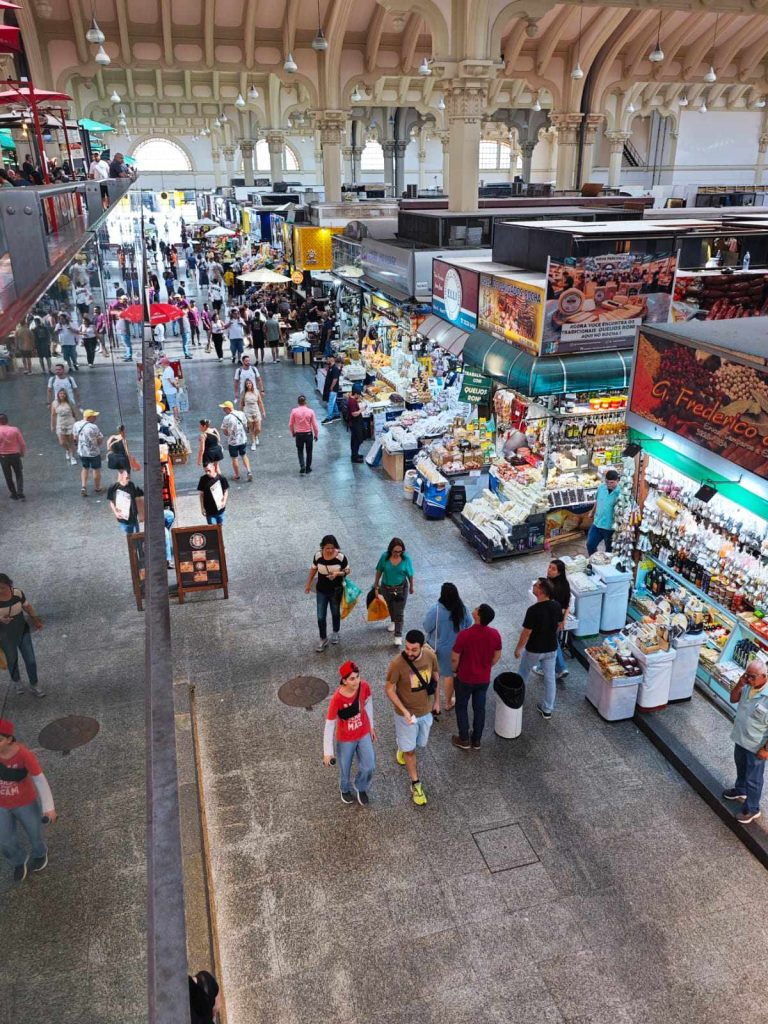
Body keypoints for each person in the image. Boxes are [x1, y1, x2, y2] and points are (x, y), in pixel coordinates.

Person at [385, 629, 439, 807]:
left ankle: (402, 745)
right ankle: (416, 784)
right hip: (406, 716)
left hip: (425, 711)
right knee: (410, 751)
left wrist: (437, 701)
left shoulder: (430, 656)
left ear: (422, 647)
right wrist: (404, 711)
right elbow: (389, 689)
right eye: (407, 648)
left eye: (414, 650)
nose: (409, 652)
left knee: (420, 744)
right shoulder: (397, 664)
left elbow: (436, 677)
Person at [0, 718, 56, 882]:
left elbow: (39, 778)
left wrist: (49, 807)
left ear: (9, 740)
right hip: (2, 805)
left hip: (25, 803)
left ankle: (40, 853)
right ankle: (18, 860)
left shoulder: (24, 754)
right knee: (4, 840)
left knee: (34, 833)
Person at [451, 604, 503, 750]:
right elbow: (497, 655)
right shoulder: (495, 634)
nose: (474, 609)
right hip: (483, 679)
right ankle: (477, 740)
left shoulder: (465, 634)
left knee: (461, 706)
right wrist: (487, 666)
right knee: (479, 708)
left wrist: (455, 670)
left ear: (478, 615)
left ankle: (464, 739)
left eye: (476, 608)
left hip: (465, 678)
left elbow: (455, 657)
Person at [323, 661, 375, 805]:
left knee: (369, 764)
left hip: (363, 731)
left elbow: (368, 702)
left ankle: (361, 786)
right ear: (344, 680)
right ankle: (344, 789)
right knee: (345, 767)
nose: (356, 681)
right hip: (346, 738)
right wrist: (328, 752)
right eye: (352, 679)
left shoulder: (364, 686)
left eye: (357, 676)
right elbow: (330, 724)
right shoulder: (337, 699)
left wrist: (371, 726)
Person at [724, 658, 768, 825]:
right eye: (746, 675)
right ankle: (740, 790)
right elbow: (733, 699)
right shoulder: (747, 686)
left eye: (752, 676)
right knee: (740, 766)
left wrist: (766, 749)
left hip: (756, 745)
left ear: (764, 676)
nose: (748, 679)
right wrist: (740, 683)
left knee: (754, 778)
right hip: (741, 738)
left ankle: (752, 808)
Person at [514, 578, 563, 720]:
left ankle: (515, 702)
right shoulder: (556, 606)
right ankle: (547, 709)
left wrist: (518, 649)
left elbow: (526, 633)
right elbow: (559, 624)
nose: (533, 586)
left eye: (535, 585)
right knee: (549, 679)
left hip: (534, 649)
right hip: (551, 648)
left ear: (541, 590)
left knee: (522, 674)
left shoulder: (533, 610)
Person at [423, 583, 472, 717]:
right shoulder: (462, 609)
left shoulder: (436, 610)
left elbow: (426, 627)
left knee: (437, 675)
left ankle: (434, 702)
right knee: (450, 676)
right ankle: (448, 702)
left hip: (439, 649)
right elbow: (469, 624)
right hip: (457, 649)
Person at [0, 575, 44, 699]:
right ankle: (17, 681)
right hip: (4, 635)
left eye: (2, 587)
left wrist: (36, 620)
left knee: (30, 659)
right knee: (12, 659)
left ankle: (34, 684)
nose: (0, 591)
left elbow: (27, 606)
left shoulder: (17, 593)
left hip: (22, 630)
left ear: (9, 584)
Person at [306, 534, 349, 652]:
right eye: (327, 548)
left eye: (332, 548)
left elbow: (347, 570)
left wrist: (337, 574)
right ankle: (323, 638)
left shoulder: (340, 557)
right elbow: (313, 569)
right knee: (320, 616)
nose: (329, 550)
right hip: (321, 590)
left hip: (335, 590)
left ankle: (335, 632)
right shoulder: (318, 555)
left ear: (335, 547)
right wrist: (308, 584)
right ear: (322, 547)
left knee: (335, 612)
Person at [532, 560, 571, 681]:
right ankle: (556, 668)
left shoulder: (553, 588)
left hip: (550, 619)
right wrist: (563, 621)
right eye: (549, 567)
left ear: (559, 572)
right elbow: (567, 605)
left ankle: (558, 668)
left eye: (553, 569)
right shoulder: (565, 584)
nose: (549, 570)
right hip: (557, 619)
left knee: (550, 643)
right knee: (552, 642)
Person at [374, 538, 414, 647]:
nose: (397, 554)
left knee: (399, 612)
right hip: (386, 588)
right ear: (390, 550)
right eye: (395, 551)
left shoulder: (406, 559)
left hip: (401, 588)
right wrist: (376, 584)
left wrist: (411, 586)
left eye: (400, 551)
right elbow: (379, 570)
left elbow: (410, 574)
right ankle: (393, 621)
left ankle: (398, 635)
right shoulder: (384, 557)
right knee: (390, 606)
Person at [587, 469, 621, 555]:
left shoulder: (620, 493)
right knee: (590, 544)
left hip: (610, 527)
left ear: (618, 481)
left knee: (609, 551)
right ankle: (594, 561)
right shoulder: (601, 487)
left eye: (612, 483)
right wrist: (592, 511)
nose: (609, 485)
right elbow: (597, 501)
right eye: (607, 482)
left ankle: (606, 566)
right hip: (597, 523)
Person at [73, 408, 104, 497]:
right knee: (96, 469)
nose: (95, 418)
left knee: (85, 468)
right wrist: (98, 445)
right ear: (89, 417)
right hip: (93, 453)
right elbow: (100, 438)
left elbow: (75, 437)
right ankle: (97, 487)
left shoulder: (76, 424)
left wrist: (78, 446)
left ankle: (83, 486)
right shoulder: (93, 427)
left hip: (82, 452)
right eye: (94, 416)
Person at [219, 400, 252, 482]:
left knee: (234, 458)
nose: (223, 410)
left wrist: (227, 431)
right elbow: (245, 424)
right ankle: (249, 471)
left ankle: (237, 475)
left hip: (233, 442)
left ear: (228, 408)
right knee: (244, 455)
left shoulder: (227, 418)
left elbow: (226, 433)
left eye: (224, 408)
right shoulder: (241, 413)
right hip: (242, 439)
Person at [288, 395, 319, 475]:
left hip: (299, 434)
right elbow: (315, 425)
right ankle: (308, 468)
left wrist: (293, 432)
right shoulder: (310, 411)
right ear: (305, 402)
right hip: (308, 434)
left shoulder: (294, 411)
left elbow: (290, 424)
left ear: (298, 402)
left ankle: (302, 466)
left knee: (300, 450)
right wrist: (316, 435)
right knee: (309, 451)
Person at [107, 468, 144, 536]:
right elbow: (111, 501)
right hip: (123, 519)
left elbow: (135, 499)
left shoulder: (131, 485)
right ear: (120, 476)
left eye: (128, 477)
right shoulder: (113, 487)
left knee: (137, 536)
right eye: (126, 477)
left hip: (133, 517)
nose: (128, 479)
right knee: (129, 536)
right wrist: (116, 513)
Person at [0, 413, 26, 501]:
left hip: (3, 456)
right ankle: (20, 491)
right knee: (18, 473)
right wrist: (22, 453)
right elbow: (22, 443)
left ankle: (13, 493)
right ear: (7, 420)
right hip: (15, 455)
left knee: (8, 476)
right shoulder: (15, 430)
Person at [50, 388, 78, 465]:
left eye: (64, 393)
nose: (62, 395)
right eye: (60, 393)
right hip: (60, 424)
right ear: (58, 395)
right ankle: (68, 450)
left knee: (71, 441)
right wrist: (52, 425)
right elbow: (53, 415)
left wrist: (77, 423)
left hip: (70, 423)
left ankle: (72, 456)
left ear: (66, 395)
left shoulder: (70, 402)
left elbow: (74, 413)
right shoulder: (55, 403)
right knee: (62, 442)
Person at [197, 461, 229, 525]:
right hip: (209, 511)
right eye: (206, 471)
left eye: (209, 470)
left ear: (213, 468)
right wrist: (202, 508)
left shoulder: (222, 478)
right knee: (213, 529)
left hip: (220, 510)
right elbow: (201, 495)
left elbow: (226, 491)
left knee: (220, 527)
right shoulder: (203, 479)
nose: (208, 473)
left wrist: (224, 501)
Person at [240, 379, 266, 451]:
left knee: (258, 428)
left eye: (250, 383)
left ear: (252, 384)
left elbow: (260, 402)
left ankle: (255, 436)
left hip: (256, 410)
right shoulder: (244, 393)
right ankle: (253, 443)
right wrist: (241, 414)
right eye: (247, 384)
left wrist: (263, 411)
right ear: (245, 385)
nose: (248, 385)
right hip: (247, 411)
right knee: (251, 428)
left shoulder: (256, 391)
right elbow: (241, 404)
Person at [347, 386, 366, 463]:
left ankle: (355, 454)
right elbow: (354, 414)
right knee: (356, 440)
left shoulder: (352, 399)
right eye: (358, 394)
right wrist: (361, 410)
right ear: (355, 393)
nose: (359, 396)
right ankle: (355, 458)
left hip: (354, 423)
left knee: (354, 440)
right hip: (355, 423)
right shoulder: (352, 401)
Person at [321, 356, 343, 423]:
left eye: (328, 358)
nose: (327, 360)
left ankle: (329, 417)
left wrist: (331, 387)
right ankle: (337, 415)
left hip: (333, 389)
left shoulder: (335, 369)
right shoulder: (331, 367)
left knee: (330, 403)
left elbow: (335, 379)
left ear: (332, 359)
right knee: (333, 402)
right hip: (330, 388)